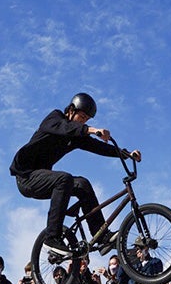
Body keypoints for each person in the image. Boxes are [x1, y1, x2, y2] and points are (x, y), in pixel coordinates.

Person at [10, 93, 140, 255]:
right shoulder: (54, 119)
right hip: (26, 178)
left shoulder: (77, 135)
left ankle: (101, 236)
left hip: (44, 179)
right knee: (63, 179)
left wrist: (126, 154)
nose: (84, 121)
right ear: (71, 110)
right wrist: (91, 130)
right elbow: (66, 128)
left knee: (82, 184)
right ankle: (51, 238)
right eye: (82, 116)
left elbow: (99, 147)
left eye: (87, 119)